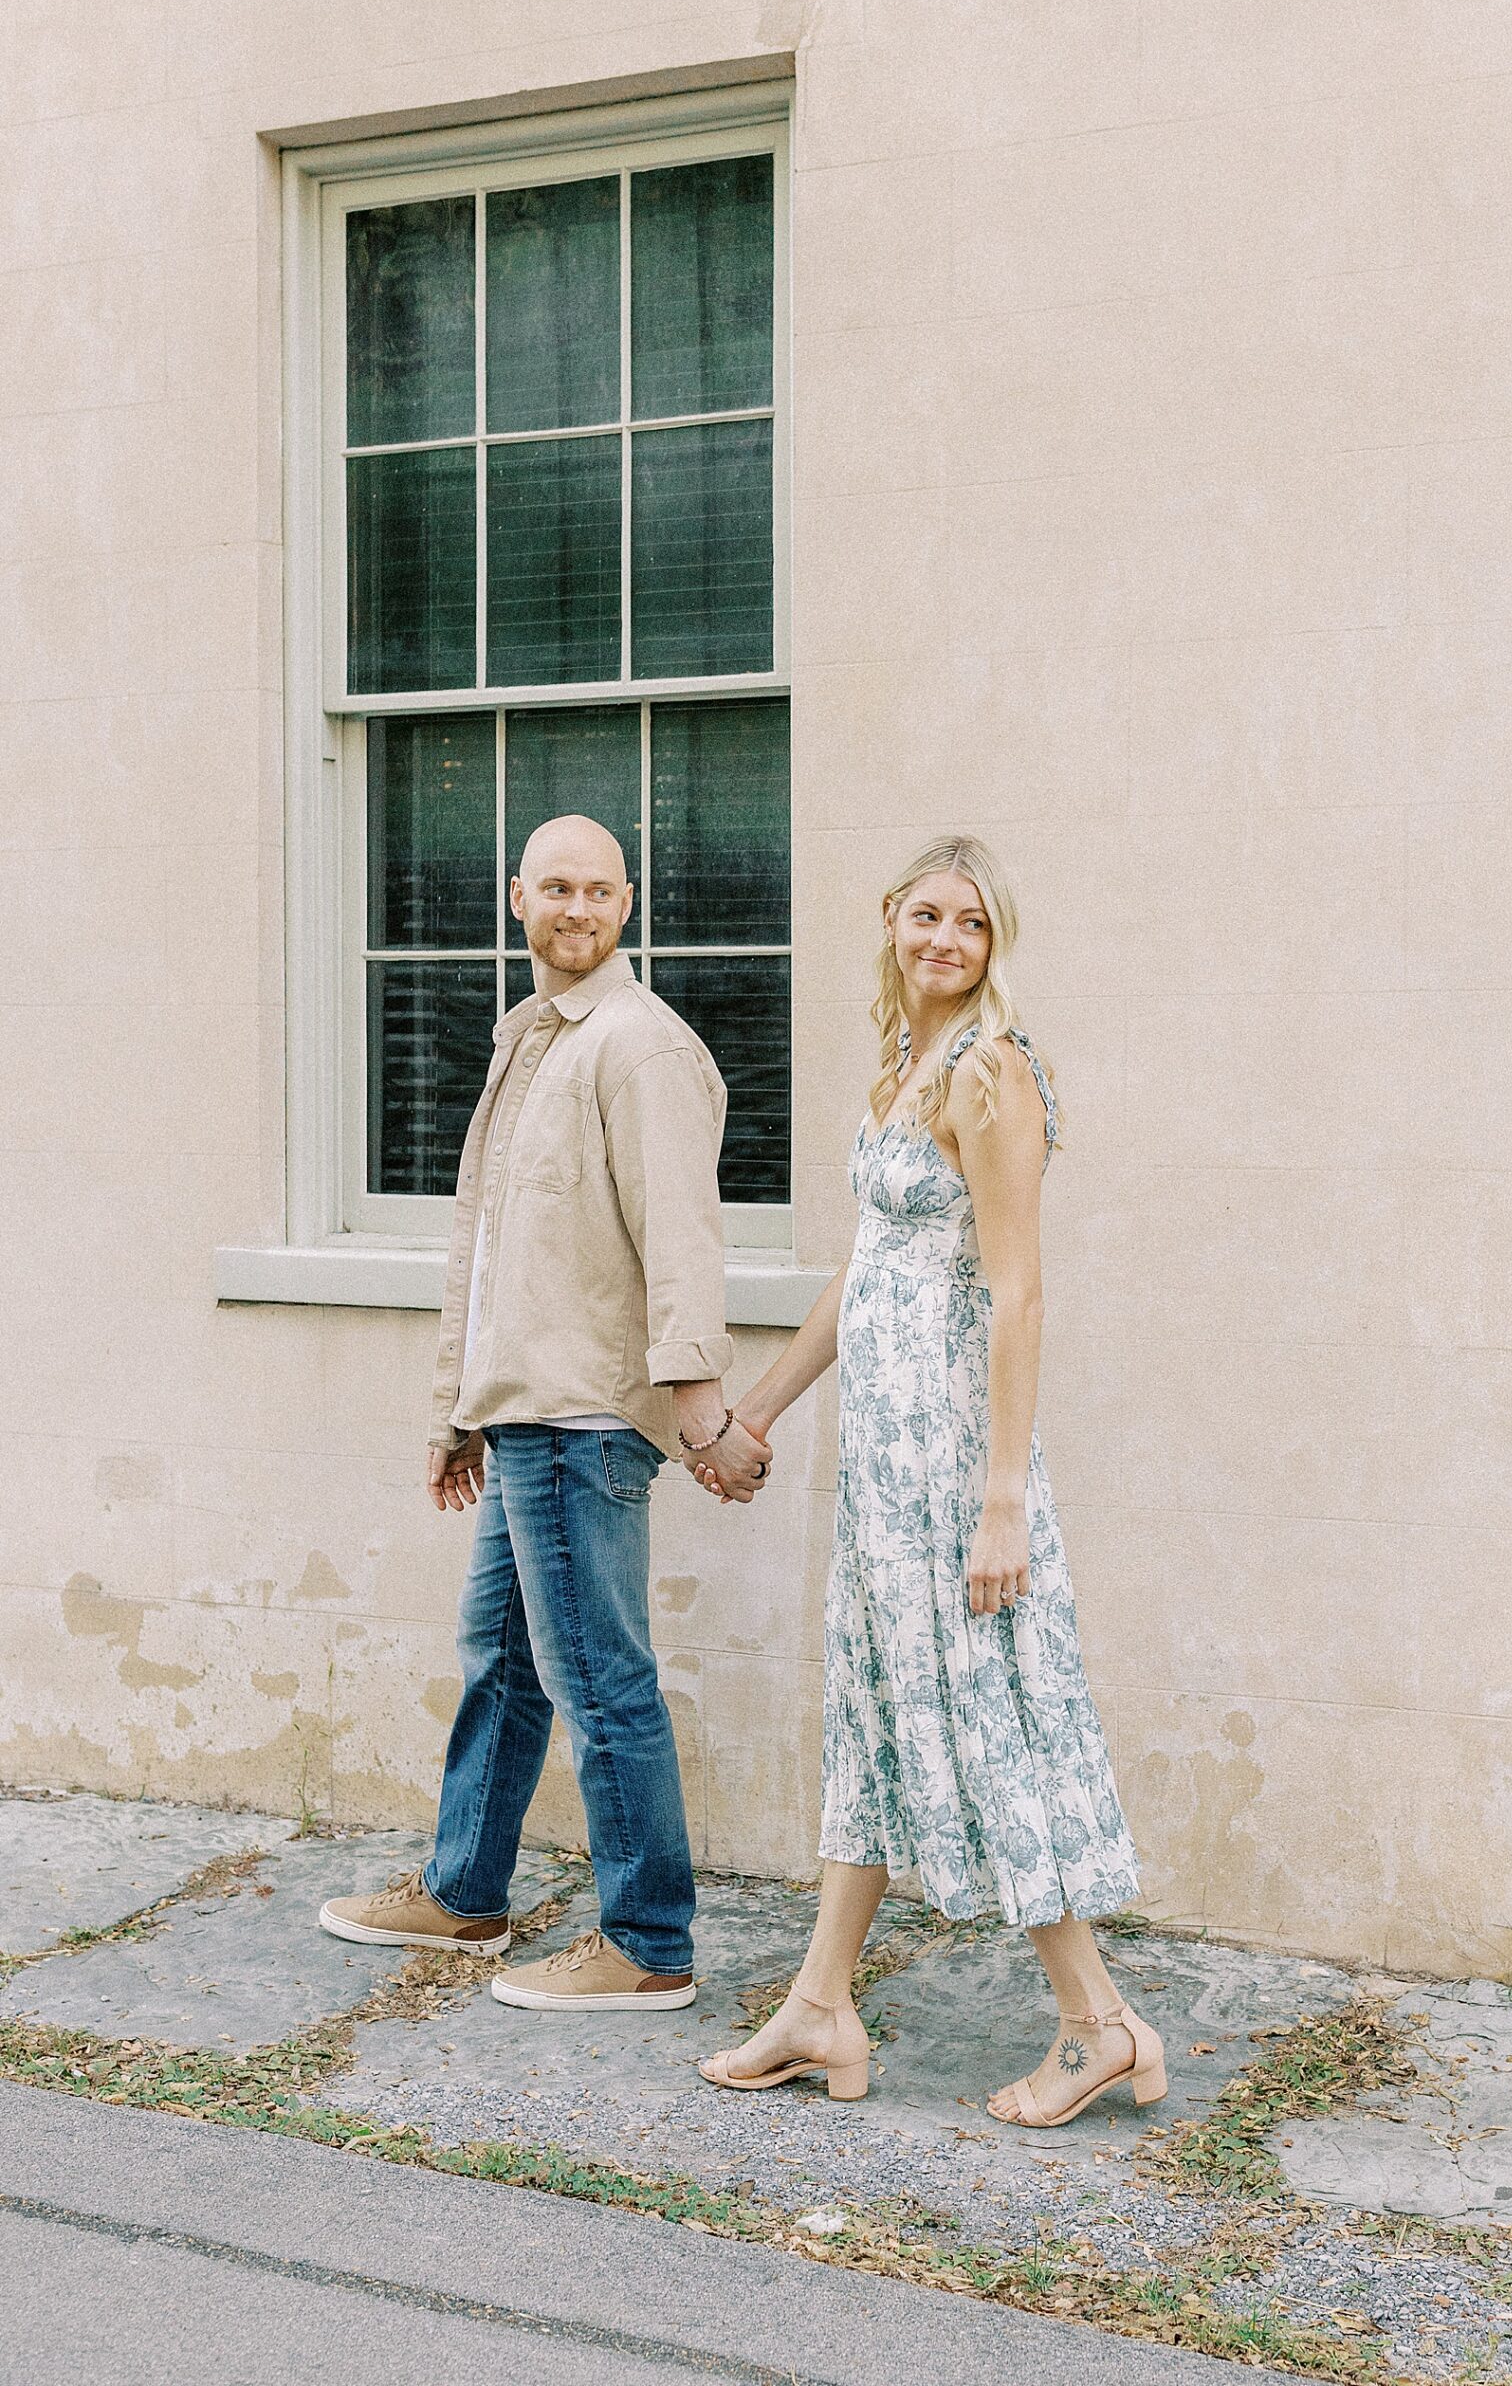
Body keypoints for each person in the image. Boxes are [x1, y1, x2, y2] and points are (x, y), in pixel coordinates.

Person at [693, 834, 1164, 2126]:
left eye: (968, 923)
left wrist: (1001, 1494)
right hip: (879, 1470)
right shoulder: (898, 1071)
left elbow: (1017, 1297)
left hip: (956, 1466)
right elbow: (867, 1281)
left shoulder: (985, 1073)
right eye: (922, 916)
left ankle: (1093, 2022)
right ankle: (819, 2004)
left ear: (992, 941)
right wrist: (758, 1411)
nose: (942, 940)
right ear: (889, 923)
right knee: (877, 1711)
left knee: (979, 1724)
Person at [320, 815, 772, 2010]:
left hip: (583, 1422)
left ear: (629, 904)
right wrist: (457, 1407)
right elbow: (496, 1253)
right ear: (516, 895)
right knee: (506, 1665)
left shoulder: (640, 1050)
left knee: (599, 1679)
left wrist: (699, 1410)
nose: (577, 907)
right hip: (525, 1409)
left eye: (600, 890)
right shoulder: (533, 1041)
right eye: (556, 886)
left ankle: (646, 1945)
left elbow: (684, 1243)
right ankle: (465, 1890)